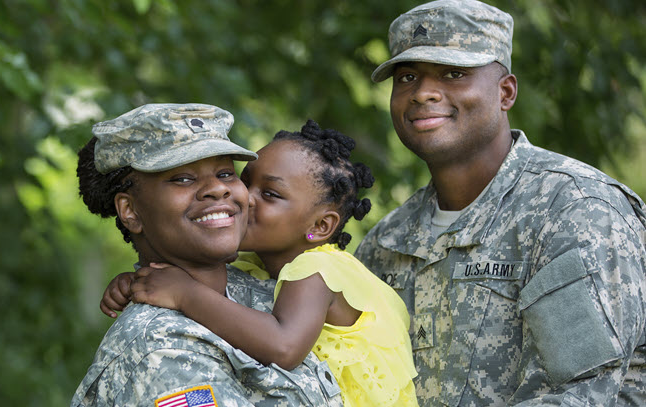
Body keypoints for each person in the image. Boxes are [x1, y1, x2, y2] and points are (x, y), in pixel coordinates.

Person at [353, 0, 646, 405]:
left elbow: (577, 396)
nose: (422, 93)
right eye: (406, 77)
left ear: (505, 92)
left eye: (453, 73)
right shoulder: (387, 242)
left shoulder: (573, 210)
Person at [105, 120, 419, 406]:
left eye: (269, 193)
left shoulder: (318, 271)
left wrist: (185, 293)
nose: (242, 196)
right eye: (245, 180)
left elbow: (283, 346)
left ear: (320, 227)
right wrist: (136, 282)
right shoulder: (255, 268)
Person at [69, 103, 343, 407]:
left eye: (226, 173)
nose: (217, 189)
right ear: (130, 210)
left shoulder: (273, 290)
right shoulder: (160, 349)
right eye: (183, 178)